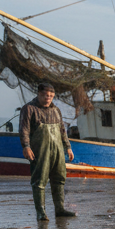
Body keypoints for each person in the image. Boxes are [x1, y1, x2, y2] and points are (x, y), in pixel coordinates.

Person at [18, 82, 76, 221]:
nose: (48, 98)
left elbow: (62, 130)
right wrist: (26, 146)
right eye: (45, 95)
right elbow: (24, 129)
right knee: (39, 180)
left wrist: (68, 147)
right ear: (39, 94)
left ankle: (60, 209)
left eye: (51, 96)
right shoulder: (29, 109)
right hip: (40, 150)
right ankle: (41, 212)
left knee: (59, 178)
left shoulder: (56, 110)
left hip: (57, 149)